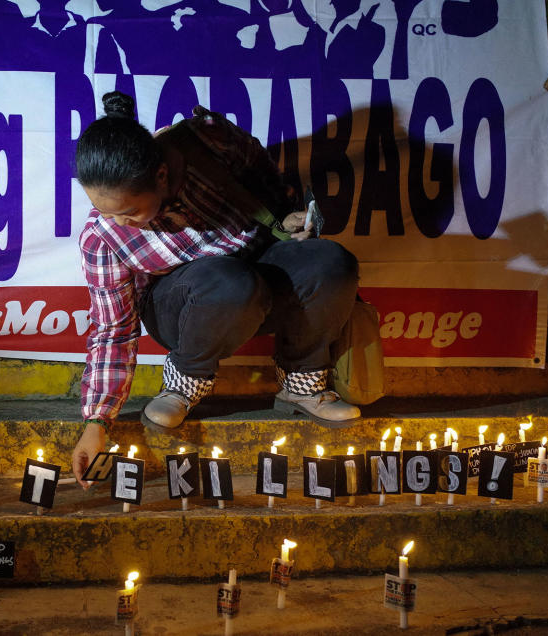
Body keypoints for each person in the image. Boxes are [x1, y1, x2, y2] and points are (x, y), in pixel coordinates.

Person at [70, 91, 361, 488]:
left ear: (160, 176)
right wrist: (97, 421)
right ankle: (183, 384)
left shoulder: (205, 139)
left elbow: (260, 170)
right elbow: (114, 330)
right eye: (105, 211)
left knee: (331, 262)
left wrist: (284, 216)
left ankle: (303, 384)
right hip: (183, 308)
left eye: (129, 211)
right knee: (228, 280)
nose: (119, 221)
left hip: (255, 278)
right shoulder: (103, 238)